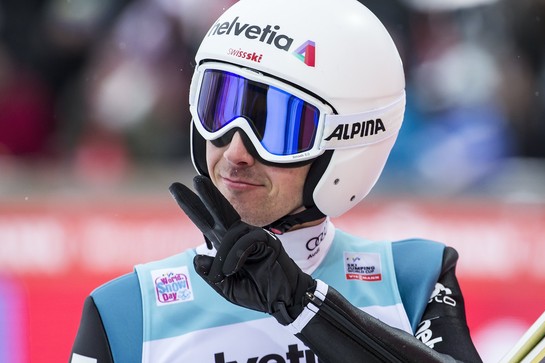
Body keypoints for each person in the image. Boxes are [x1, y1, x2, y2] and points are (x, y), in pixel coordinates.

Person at [70, 0, 483, 362]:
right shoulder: (124, 312)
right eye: (221, 106)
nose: (235, 152)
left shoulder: (414, 278)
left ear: (347, 144)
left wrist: (303, 303)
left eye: (277, 127)